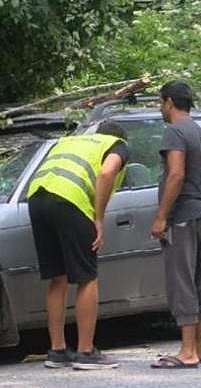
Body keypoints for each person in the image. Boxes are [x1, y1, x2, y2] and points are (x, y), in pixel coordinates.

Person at [27, 120, 129, 370]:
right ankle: (86, 352)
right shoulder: (117, 145)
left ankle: (57, 351)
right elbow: (106, 172)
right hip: (70, 201)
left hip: (37, 198)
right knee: (87, 277)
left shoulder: (72, 140)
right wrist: (98, 219)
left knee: (57, 276)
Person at [150, 80, 201, 369]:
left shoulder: (175, 132)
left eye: (160, 102)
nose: (160, 108)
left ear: (168, 102)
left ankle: (187, 351)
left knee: (181, 280)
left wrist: (162, 216)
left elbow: (175, 175)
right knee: (198, 278)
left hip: (182, 217)